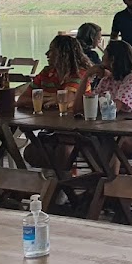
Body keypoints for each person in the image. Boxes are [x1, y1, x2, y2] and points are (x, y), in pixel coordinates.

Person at [19, 35, 91, 172]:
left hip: (76, 130)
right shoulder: (46, 72)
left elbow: (66, 100)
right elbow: (22, 100)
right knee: (31, 152)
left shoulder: (79, 74)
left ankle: (62, 179)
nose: (47, 54)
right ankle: (57, 178)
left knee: (63, 151)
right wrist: (50, 98)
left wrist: (43, 97)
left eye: (52, 50)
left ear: (63, 54)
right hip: (50, 129)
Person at [79, 41, 132, 157]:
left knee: (112, 139)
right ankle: (104, 168)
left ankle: (108, 169)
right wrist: (86, 77)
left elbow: (114, 108)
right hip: (118, 129)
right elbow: (83, 106)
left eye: (104, 56)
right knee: (86, 139)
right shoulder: (108, 79)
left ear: (113, 60)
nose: (101, 60)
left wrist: (94, 107)